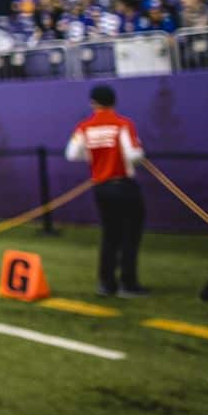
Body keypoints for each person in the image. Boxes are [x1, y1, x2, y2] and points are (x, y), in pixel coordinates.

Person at [65, 85, 150, 297]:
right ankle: (128, 284)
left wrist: (95, 159)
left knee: (110, 235)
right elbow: (134, 155)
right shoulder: (123, 124)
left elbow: (72, 154)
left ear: (93, 103)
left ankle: (106, 284)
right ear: (114, 102)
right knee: (130, 235)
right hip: (124, 186)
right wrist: (140, 153)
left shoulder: (84, 127)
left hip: (101, 188)